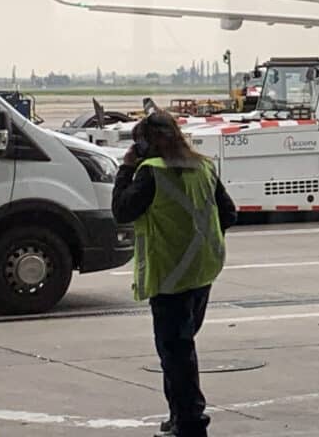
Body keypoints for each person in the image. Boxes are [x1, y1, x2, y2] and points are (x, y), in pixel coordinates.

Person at [112, 111, 236, 437]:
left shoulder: (151, 173)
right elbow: (229, 213)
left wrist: (125, 168)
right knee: (179, 349)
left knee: (176, 355)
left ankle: (191, 422)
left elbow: (122, 211)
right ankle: (179, 417)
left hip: (170, 275)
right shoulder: (204, 167)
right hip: (202, 270)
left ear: (143, 145)